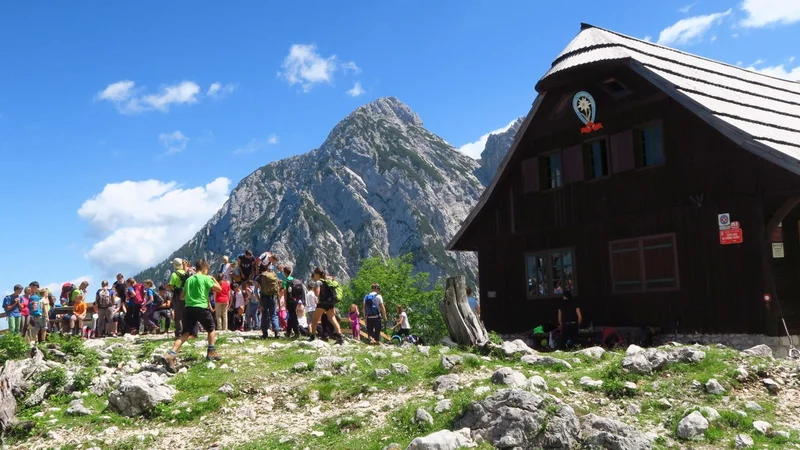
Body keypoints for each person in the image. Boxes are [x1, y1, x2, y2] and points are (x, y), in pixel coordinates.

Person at [163, 259, 222, 373]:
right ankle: (211, 351)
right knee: (211, 329)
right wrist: (214, 279)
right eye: (207, 270)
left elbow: (182, 297)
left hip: (188, 308)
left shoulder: (189, 279)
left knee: (185, 334)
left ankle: (171, 354)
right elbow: (219, 289)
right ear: (205, 268)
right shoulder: (206, 278)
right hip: (201, 308)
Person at [308, 268, 344, 345]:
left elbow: (317, 294)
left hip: (322, 304)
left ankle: (313, 336)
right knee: (333, 320)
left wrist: (314, 290)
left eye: (314, 274)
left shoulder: (318, 282)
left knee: (314, 320)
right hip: (330, 303)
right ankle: (340, 337)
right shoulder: (327, 281)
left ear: (317, 274)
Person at [167, 258, 194, 338]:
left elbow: (171, 286)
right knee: (187, 314)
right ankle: (189, 332)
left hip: (178, 296)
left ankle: (179, 333)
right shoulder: (186, 273)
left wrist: (167, 286)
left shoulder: (174, 274)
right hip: (187, 295)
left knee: (178, 316)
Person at [255, 263, 281, 338]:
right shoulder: (272, 275)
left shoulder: (259, 277)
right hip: (273, 297)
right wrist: (278, 300)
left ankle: (265, 333)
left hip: (264, 298)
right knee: (273, 314)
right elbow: (277, 288)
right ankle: (276, 332)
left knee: (264, 315)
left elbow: (255, 291)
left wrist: (260, 300)